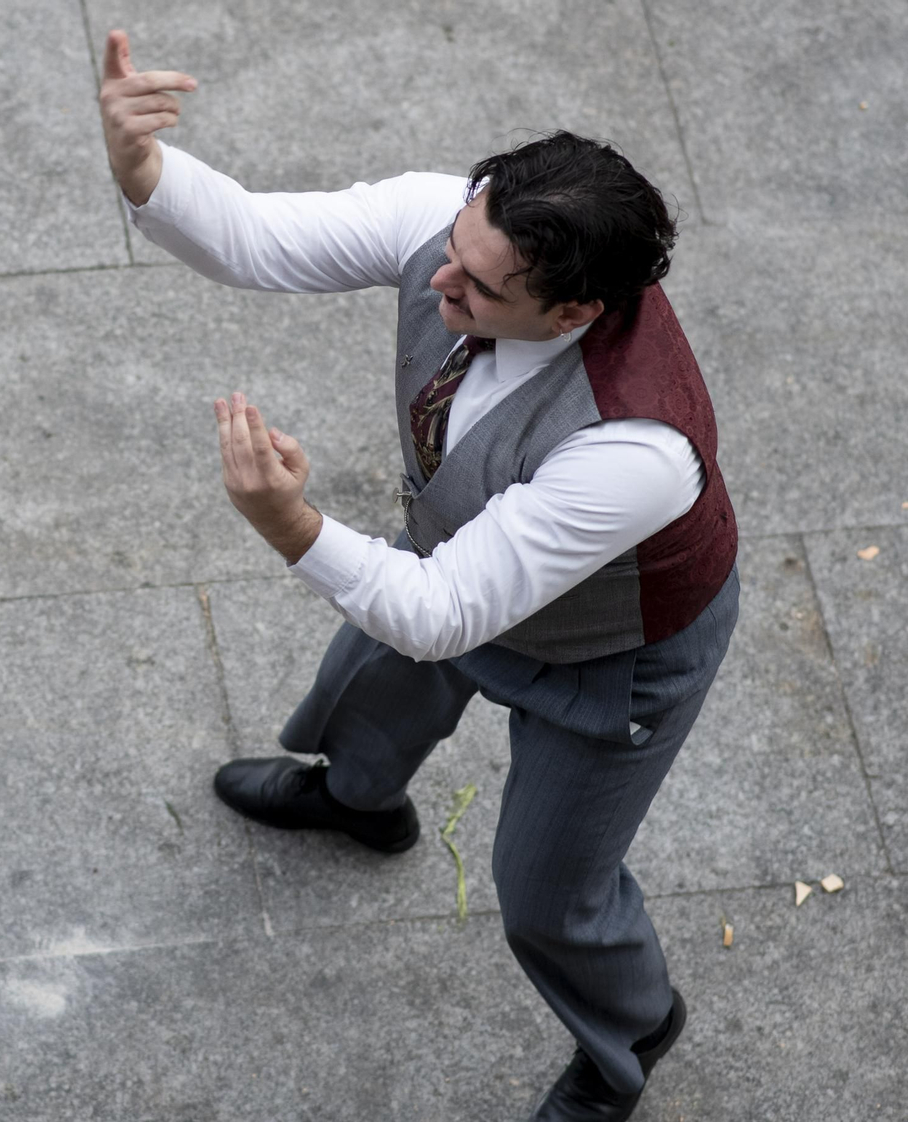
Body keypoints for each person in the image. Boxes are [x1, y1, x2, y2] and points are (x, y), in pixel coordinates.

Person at [97, 28, 739, 1122]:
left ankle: (631, 1029)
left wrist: (290, 523)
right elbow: (254, 237)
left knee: (548, 897)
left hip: (612, 654)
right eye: (453, 244)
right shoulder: (468, 227)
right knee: (368, 690)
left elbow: (442, 614)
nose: (440, 278)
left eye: (480, 290)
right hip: (468, 553)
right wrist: (138, 166)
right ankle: (358, 801)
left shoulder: (635, 449)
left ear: (575, 312)